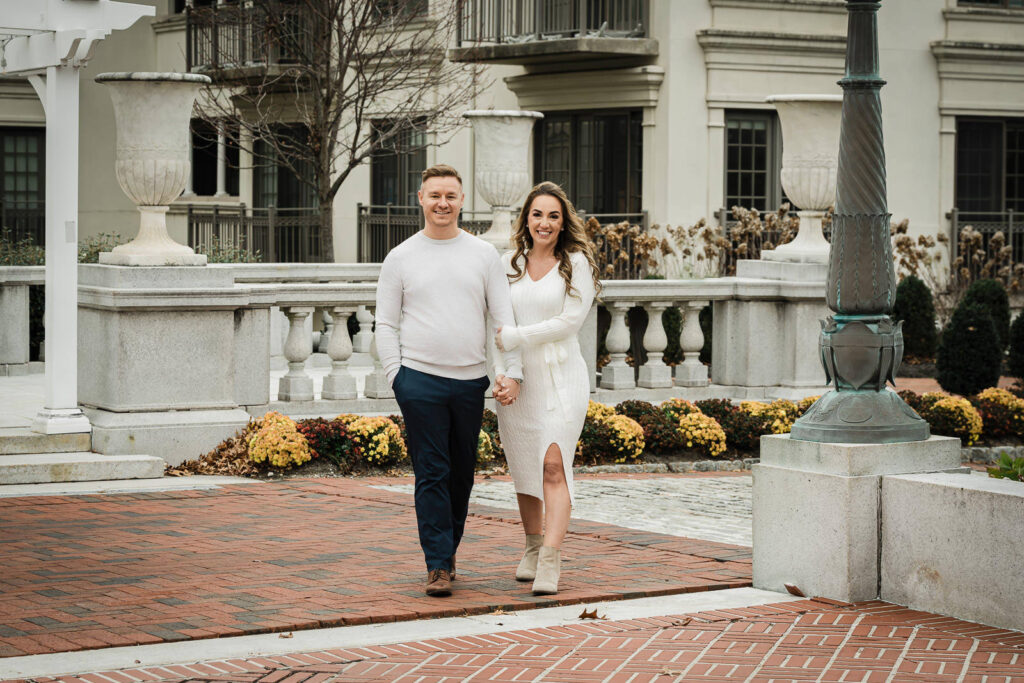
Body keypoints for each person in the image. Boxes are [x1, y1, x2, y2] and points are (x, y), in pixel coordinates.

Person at [375, 164, 523, 597]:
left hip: (470, 382)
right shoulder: (400, 257)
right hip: (418, 380)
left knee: (461, 474)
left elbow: (503, 319)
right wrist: (397, 376)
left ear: (461, 201)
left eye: (450, 196)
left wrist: (511, 371)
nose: (443, 203)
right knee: (432, 472)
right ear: (421, 198)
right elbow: (385, 323)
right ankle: (437, 564)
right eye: (435, 195)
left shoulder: (483, 255)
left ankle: (448, 548)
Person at [493, 181, 601, 595]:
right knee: (526, 466)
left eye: (553, 216)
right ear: (526, 219)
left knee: (554, 465)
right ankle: (533, 546)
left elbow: (569, 322)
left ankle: (552, 559)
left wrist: (517, 337)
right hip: (520, 381)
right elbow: (495, 326)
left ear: (563, 222)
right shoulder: (508, 264)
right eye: (537, 214)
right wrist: (506, 375)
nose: (545, 222)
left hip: (562, 379)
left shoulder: (576, 263)